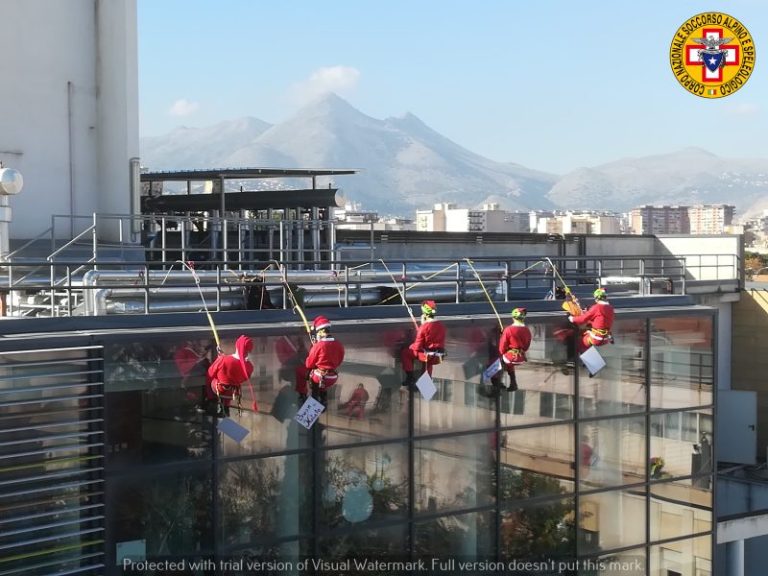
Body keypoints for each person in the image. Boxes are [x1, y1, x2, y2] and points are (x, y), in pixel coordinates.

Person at [299, 316, 345, 406]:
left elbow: (309, 364)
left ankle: (306, 397)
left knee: (300, 372)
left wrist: (313, 348)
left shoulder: (318, 346)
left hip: (319, 377)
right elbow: (339, 361)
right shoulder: (339, 344)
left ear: (320, 332)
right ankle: (323, 398)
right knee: (322, 384)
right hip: (333, 378)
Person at [400, 300, 447, 388]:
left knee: (405, 353)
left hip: (428, 355)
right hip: (438, 356)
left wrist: (410, 346)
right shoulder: (441, 325)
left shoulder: (424, 328)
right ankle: (426, 385)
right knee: (428, 363)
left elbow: (417, 346)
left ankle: (410, 378)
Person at [206, 335, 254, 417]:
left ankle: (211, 401)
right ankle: (225, 410)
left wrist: (219, 359)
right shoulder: (249, 366)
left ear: (237, 346)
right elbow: (244, 377)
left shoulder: (223, 360)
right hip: (232, 392)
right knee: (232, 385)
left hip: (217, 389)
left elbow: (210, 372)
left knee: (212, 378)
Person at [568, 288, 615, 354]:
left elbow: (583, 319)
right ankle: (588, 359)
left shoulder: (597, 307)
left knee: (580, 342)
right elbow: (599, 319)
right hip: (605, 338)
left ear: (597, 298)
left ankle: (577, 360)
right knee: (585, 333)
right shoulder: (610, 308)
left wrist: (572, 319)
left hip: (597, 338)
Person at [497, 307, 532, 392]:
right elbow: (526, 346)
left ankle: (498, 381)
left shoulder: (508, 330)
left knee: (501, 359)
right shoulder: (527, 330)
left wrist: (503, 335)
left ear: (513, 318)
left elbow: (502, 347)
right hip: (521, 357)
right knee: (509, 363)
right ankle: (513, 383)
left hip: (510, 357)